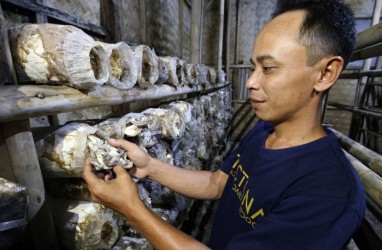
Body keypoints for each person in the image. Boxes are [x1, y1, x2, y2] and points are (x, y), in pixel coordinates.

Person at [83, 0, 366, 249]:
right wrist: (149, 167)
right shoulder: (265, 131)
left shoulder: (330, 193)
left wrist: (132, 209)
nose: (251, 82)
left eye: (268, 69)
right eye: (254, 67)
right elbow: (216, 184)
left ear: (326, 73)